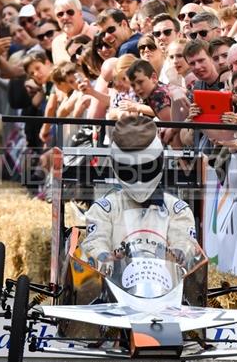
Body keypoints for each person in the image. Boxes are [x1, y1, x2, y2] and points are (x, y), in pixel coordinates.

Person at [80, 115, 198, 271]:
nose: (139, 179)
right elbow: (94, 243)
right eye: (129, 172)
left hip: (166, 288)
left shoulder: (177, 209)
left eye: (146, 169)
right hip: (117, 289)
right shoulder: (104, 208)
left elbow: (185, 243)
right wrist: (106, 257)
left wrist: (177, 254)